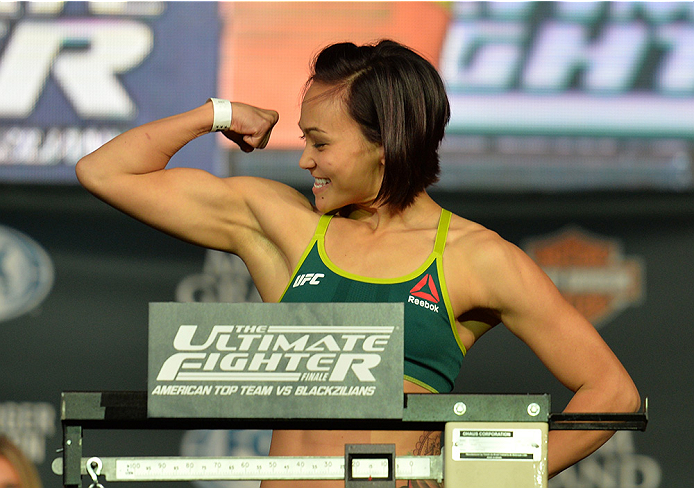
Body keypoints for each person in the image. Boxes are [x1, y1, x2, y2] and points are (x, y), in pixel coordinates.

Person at [75, 39, 640, 486]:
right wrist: (217, 113)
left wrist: (484, 476)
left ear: (385, 144)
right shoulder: (288, 230)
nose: (303, 159)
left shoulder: (476, 258)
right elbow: (105, 173)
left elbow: (612, 394)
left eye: (320, 143)